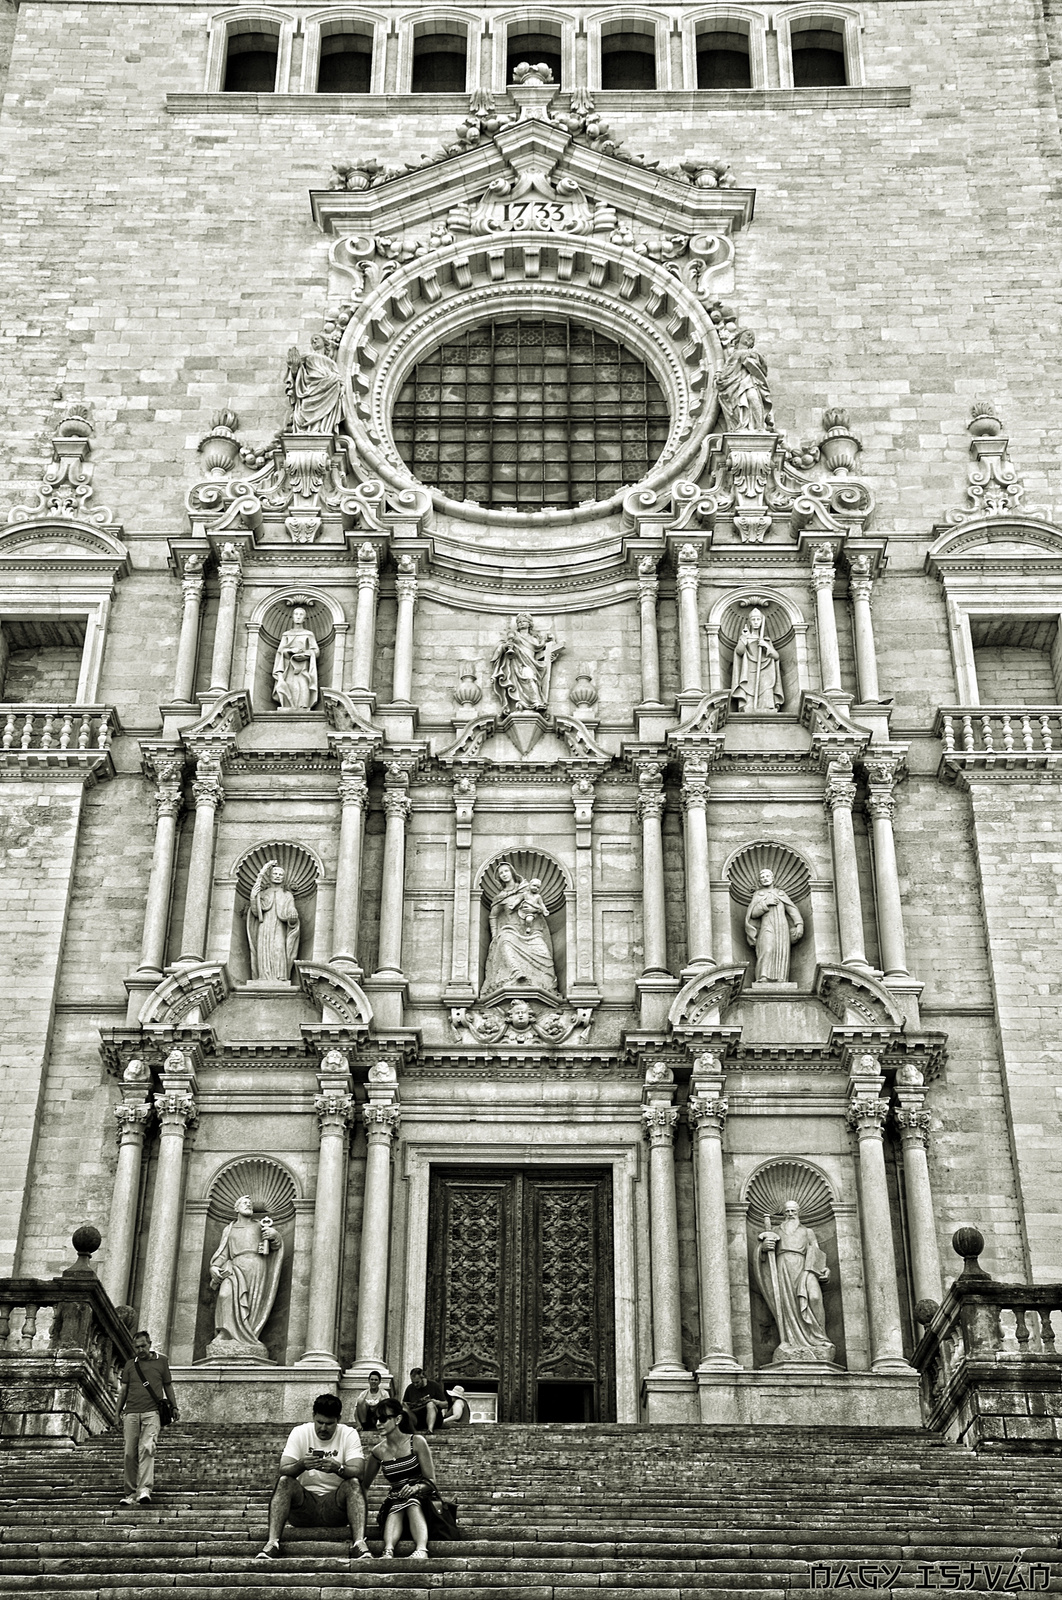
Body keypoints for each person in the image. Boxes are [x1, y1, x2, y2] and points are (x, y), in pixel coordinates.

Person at [255, 1392, 369, 1562]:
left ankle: (359, 1543)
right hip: (304, 1507)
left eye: (329, 1424)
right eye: (319, 1422)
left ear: (338, 1419)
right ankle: (272, 1543)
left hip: (336, 1507)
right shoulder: (300, 1432)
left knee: (352, 1483)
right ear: (313, 1416)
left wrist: (338, 1468)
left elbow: (359, 1473)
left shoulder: (349, 1433)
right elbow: (283, 1469)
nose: (323, 1428)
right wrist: (301, 1465)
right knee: (285, 1481)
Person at [363, 1398, 461, 1558]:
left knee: (411, 1501)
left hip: (423, 1501)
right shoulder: (378, 1451)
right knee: (398, 1502)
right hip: (395, 1503)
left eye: (383, 1419)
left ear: (398, 1419)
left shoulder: (416, 1442)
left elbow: (431, 1480)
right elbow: (363, 1485)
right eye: (376, 1419)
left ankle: (421, 1549)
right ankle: (388, 1550)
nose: (378, 1423)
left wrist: (415, 1488)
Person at [755, 1200, 835, 1364]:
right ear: (783, 1213)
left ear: (798, 1212)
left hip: (805, 1268)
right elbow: (762, 1255)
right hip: (783, 1267)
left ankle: (818, 1339)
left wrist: (824, 1269)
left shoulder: (807, 1231)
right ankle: (791, 1341)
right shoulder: (776, 1230)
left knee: (814, 1298)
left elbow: (816, 1252)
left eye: (793, 1211)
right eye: (787, 1211)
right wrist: (764, 1248)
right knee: (787, 1304)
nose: (790, 1214)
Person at [207, 1195, 283, 1358]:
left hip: (256, 1265)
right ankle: (226, 1333)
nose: (248, 1205)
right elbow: (223, 1252)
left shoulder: (259, 1226)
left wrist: (274, 1235)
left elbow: (275, 1245)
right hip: (235, 1265)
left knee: (251, 1302)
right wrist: (214, 1266)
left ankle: (249, 1335)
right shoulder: (229, 1229)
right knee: (224, 1294)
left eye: (250, 1204)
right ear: (236, 1208)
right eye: (244, 1203)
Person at [115, 1329, 180, 1506]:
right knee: (129, 1453)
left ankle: (144, 1489)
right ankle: (130, 1493)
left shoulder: (162, 1362)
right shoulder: (130, 1365)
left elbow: (168, 1386)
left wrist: (174, 1407)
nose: (140, 1350)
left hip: (152, 1412)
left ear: (150, 1344)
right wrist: (117, 1413)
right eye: (137, 1347)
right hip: (131, 1413)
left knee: (147, 1448)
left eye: (143, 1346)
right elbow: (123, 1392)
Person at [744, 867, 804, 983]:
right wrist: (765, 904)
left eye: (767, 876)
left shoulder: (781, 894)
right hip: (767, 925)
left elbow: (792, 910)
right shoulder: (758, 894)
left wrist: (799, 924)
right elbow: (753, 914)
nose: (765, 879)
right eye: (762, 877)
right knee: (767, 949)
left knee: (781, 950)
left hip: (782, 927)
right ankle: (763, 976)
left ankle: (781, 978)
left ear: (773, 878)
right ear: (759, 881)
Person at [246, 860, 301, 982]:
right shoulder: (263, 893)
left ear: (284, 878)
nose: (277, 876)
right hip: (264, 926)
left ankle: (280, 976)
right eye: (275, 873)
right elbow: (255, 912)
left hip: (279, 927)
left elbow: (291, 913)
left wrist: (293, 917)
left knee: (279, 948)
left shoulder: (287, 895)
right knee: (263, 950)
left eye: (280, 874)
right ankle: (263, 976)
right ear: (270, 876)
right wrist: (253, 897)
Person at [272, 606, 320, 710]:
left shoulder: (308, 634)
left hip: (303, 667)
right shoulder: (286, 634)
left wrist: (305, 653)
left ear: (305, 619)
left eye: (301, 614)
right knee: (288, 685)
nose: (298, 617)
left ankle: (303, 707)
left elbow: (316, 651)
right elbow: (280, 651)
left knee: (303, 685)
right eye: (296, 614)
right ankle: (288, 705)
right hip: (288, 668)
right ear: (292, 617)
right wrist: (291, 651)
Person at [401, 1367, 448, 1434]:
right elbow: (405, 1403)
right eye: (413, 1382)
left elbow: (445, 1404)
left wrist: (436, 1402)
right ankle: (413, 1431)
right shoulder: (410, 1388)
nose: (415, 1385)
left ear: (423, 1378)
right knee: (404, 1409)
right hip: (417, 1419)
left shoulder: (434, 1386)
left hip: (435, 1419)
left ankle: (430, 1430)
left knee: (430, 1404)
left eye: (417, 1382)